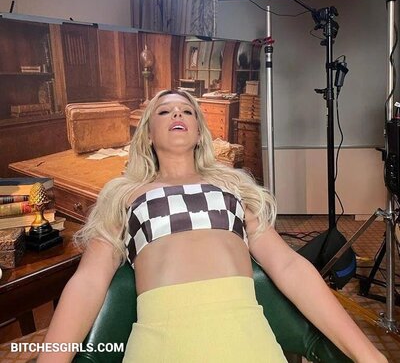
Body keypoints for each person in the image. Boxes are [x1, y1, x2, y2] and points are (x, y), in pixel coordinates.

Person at [38, 89, 387, 363]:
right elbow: (88, 282)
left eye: (187, 111)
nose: (177, 114)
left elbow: (289, 266)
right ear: (147, 135)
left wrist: (368, 355)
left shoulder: (232, 188)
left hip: (247, 338)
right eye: (164, 111)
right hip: (161, 343)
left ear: (200, 133)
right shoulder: (125, 195)